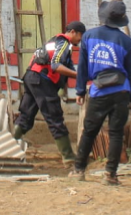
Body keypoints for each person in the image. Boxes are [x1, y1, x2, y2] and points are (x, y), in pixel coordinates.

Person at [70, 0, 131, 185]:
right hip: (121, 91)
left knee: (89, 131)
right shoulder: (127, 42)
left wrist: (79, 90)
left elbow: (82, 66)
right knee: (116, 133)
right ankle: (110, 175)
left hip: (98, 91)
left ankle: (78, 170)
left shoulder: (89, 37)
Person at [13, 21, 87, 166]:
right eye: (80, 36)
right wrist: (80, 76)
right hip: (42, 80)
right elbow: (56, 65)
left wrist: (81, 77)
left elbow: (69, 69)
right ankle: (69, 157)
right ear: (73, 32)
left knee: (26, 115)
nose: (81, 39)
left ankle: (6, 148)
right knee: (54, 116)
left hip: (31, 77)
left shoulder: (55, 41)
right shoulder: (63, 44)